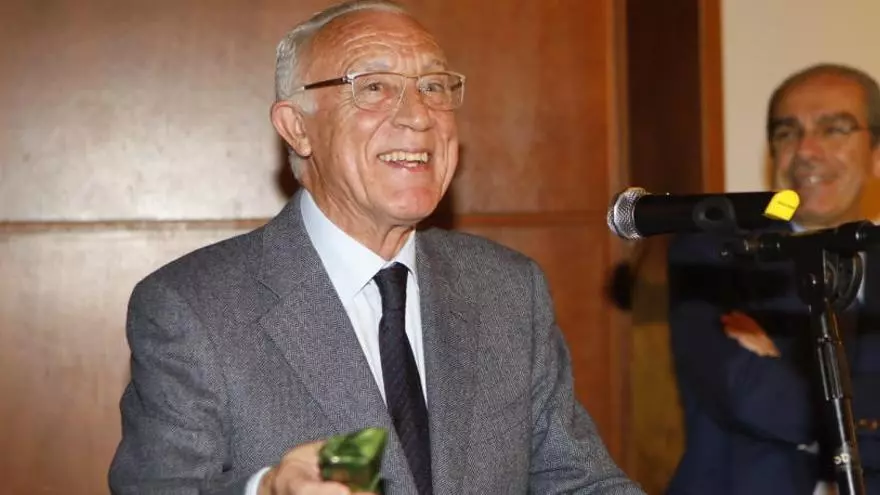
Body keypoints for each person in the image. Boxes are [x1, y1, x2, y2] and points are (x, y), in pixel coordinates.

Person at [108, 1, 645, 494]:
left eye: (433, 86)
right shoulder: (192, 308)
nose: (418, 115)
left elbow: (578, 482)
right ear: (297, 128)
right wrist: (264, 491)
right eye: (373, 87)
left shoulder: (506, 289)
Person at [666, 63, 880, 495]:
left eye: (833, 129)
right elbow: (747, 394)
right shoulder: (716, 254)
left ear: (877, 153)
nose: (806, 151)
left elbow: (787, 404)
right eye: (786, 133)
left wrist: (787, 377)